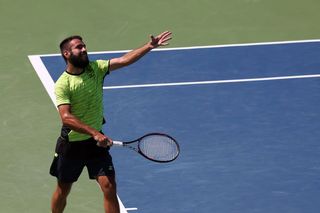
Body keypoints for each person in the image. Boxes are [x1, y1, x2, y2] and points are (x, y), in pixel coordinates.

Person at [50, 31, 172, 213]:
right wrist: (95, 133)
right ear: (67, 54)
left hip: (95, 146)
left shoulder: (96, 68)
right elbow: (66, 118)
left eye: (84, 46)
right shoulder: (63, 84)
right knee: (63, 189)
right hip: (72, 146)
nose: (84, 49)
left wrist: (149, 46)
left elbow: (124, 60)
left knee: (109, 186)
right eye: (79, 47)